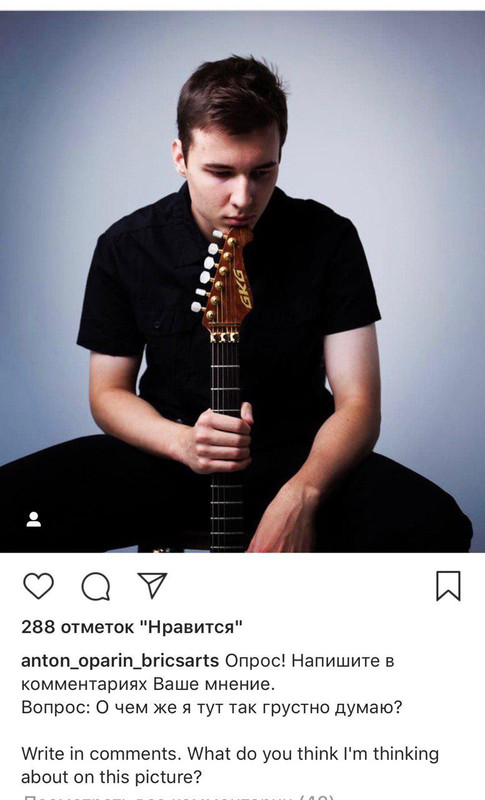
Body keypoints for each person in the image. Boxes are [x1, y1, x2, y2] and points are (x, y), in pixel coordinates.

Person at [1, 56, 472, 553]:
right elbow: (107, 393)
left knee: (436, 525)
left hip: (299, 460)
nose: (244, 197)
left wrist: (303, 495)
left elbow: (359, 404)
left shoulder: (329, 239)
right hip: (169, 454)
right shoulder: (127, 246)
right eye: (220, 172)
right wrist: (183, 443)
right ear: (180, 157)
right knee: (14, 508)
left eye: (262, 171)